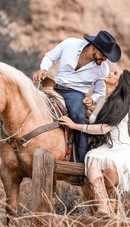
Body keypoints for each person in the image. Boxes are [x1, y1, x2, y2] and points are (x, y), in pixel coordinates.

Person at [59, 70, 130, 217]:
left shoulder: (121, 102)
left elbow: (103, 128)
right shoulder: (103, 99)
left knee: (108, 162)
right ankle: (103, 204)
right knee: (91, 157)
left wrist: (74, 125)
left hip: (121, 147)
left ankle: (113, 209)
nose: (110, 73)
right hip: (105, 147)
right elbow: (96, 120)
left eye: (115, 73)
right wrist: (88, 108)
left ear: (120, 82)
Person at [33, 31, 121, 163]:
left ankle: (81, 162)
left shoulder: (102, 69)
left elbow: (99, 91)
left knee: (78, 117)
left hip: (75, 93)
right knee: (30, 103)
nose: (104, 59)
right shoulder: (70, 44)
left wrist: (92, 99)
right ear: (94, 48)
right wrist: (44, 69)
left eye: (107, 57)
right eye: (103, 55)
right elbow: (50, 57)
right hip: (53, 85)